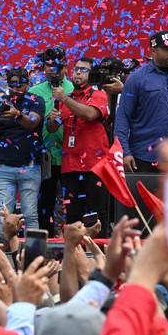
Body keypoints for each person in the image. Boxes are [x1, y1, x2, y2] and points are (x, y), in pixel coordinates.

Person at [114, 31, 168, 173]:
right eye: (167, 49)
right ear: (153, 51)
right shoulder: (136, 79)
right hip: (144, 157)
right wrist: (124, 152)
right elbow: (123, 116)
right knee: (144, 196)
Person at [47, 57, 112, 228]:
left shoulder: (99, 95)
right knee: (73, 214)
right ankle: (75, 252)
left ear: (92, 75)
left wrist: (65, 99)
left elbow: (91, 114)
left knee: (96, 213)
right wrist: (52, 120)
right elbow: (52, 128)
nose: (77, 72)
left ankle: (99, 252)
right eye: (75, 69)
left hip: (94, 165)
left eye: (83, 70)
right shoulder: (65, 99)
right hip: (70, 165)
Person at [0, 67, 44, 235]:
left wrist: (17, 114)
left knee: (29, 214)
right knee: (1, 215)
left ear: (28, 84)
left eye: (20, 86)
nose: (16, 90)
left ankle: (34, 252)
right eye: (12, 85)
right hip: (4, 166)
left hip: (29, 166)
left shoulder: (36, 101)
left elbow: (33, 123)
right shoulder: (2, 102)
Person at [29, 47, 73, 236]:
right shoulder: (34, 91)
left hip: (71, 156)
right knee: (44, 203)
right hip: (45, 156)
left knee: (72, 203)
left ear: (65, 66)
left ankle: (72, 242)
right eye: (47, 66)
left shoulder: (74, 89)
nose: (51, 70)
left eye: (55, 65)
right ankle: (44, 242)